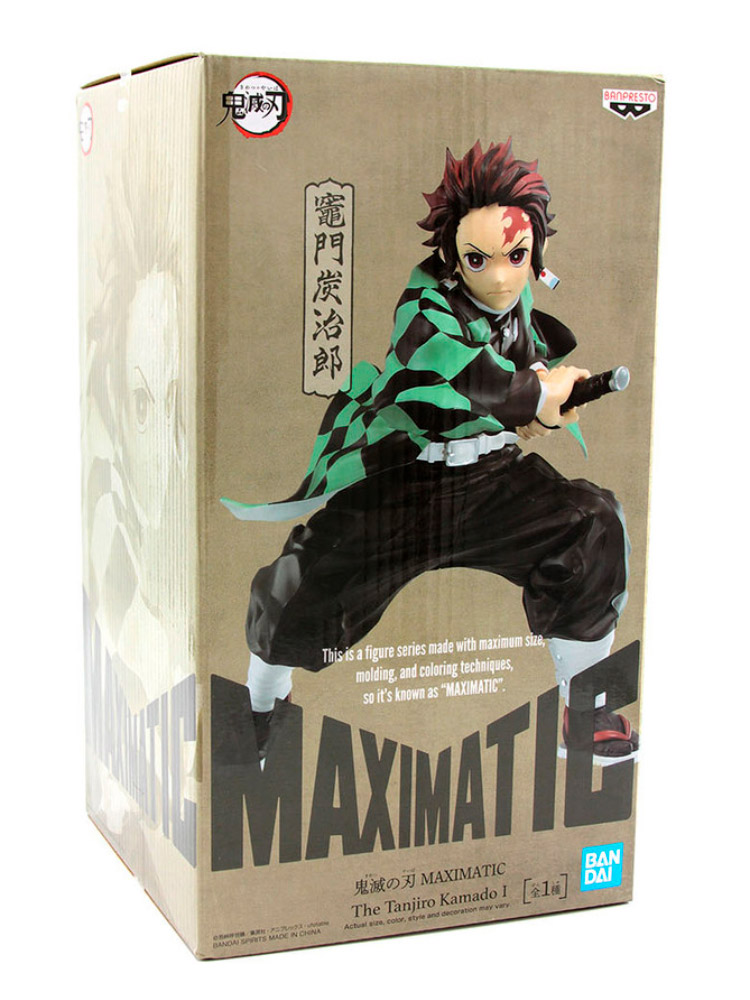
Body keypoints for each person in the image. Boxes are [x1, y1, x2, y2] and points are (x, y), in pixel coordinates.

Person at [222, 139, 637, 766]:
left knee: (595, 525)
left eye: (517, 255)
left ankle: (586, 713)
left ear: (537, 252)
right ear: (451, 256)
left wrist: (546, 397)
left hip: (493, 480)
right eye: (478, 259)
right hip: (409, 484)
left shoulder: (517, 298)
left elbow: (520, 361)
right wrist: (531, 395)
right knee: (300, 590)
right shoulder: (423, 308)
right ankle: (258, 708)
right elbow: (459, 370)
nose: (501, 277)